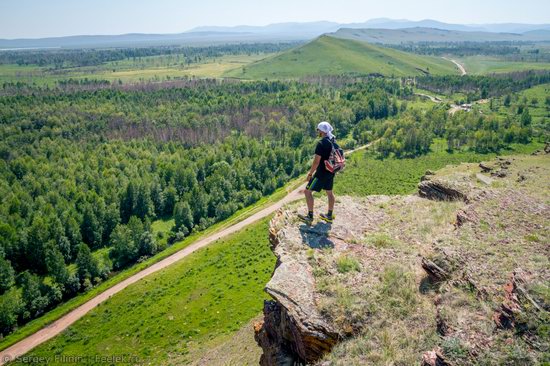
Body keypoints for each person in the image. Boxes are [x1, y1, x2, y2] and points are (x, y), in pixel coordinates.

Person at [298, 121, 338, 224]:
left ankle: (310, 216)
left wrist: (310, 173)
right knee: (329, 192)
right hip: (331, 171)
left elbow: (316, 162)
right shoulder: (333, 141)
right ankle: (329, 215)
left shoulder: (321, 143)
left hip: (321, 173)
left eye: (318, 130)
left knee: (307, 192)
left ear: (322, 131)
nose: (318, 132)